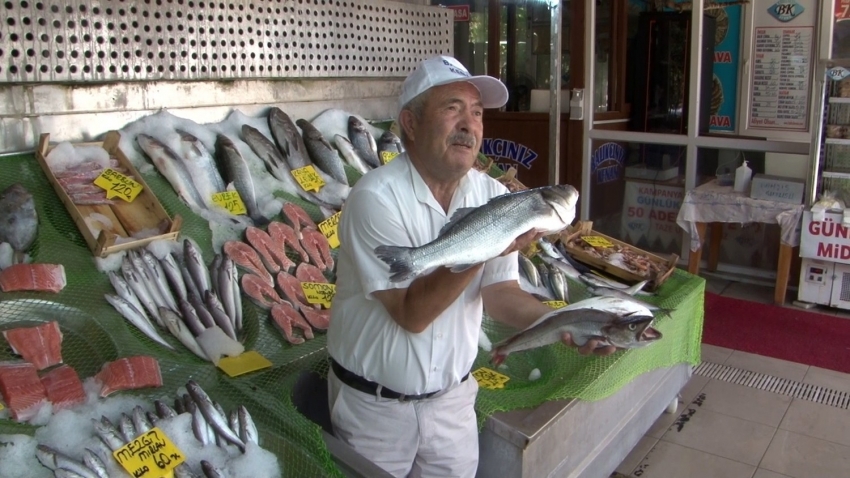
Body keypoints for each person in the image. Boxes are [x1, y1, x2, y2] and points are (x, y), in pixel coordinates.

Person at [326, 55, 616, 478]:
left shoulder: (493, 195)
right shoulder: (375, 198)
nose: (469, 124)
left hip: (453, 405)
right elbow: (412, 314)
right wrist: (485, 247)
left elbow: (501, 295)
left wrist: (565, 323)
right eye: (452, 109)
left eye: (477, 113)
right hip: (375, 412)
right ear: (410, 122)